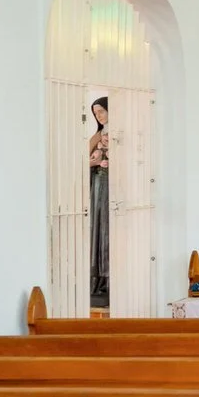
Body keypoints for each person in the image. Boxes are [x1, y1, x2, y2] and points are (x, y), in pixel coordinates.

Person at [87, 96, 109, 308]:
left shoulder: (116, 134)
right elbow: (83, 158)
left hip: (112, 186)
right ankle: (97, 278)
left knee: (108, 230)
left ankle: (108, 276)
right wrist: (95, 162)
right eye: (95, 113)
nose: (99, 116)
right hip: (98, 183)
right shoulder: (97, 136)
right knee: (98, 227)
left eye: (101, 111)